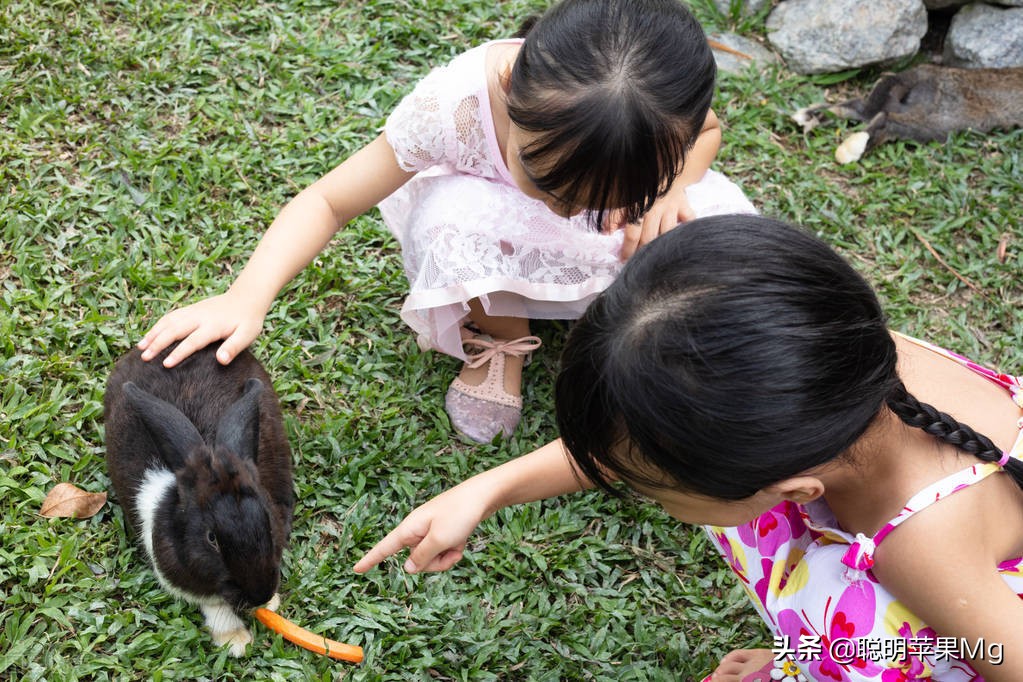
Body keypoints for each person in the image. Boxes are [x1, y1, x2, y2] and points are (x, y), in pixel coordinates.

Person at [354, 215, 1023, 681]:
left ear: (792, 490)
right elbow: (650, 432)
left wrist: (818, 660)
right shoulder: (831, 354)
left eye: (651, 488)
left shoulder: (923, 553)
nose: (626, 483)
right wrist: (487, 488)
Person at [135, 0, 755, 443]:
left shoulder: (663, 117)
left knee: (722, 234)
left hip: (619, 237)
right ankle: (502, 340)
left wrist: (668, 190)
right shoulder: (451, 107)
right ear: (512, 84)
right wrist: (247, 294)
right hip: (497, 236)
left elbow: (708, 131)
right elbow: (328, 202)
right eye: (547, 181)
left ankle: (620, 314)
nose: (566, 211)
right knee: (454, 215)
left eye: (594, 194)